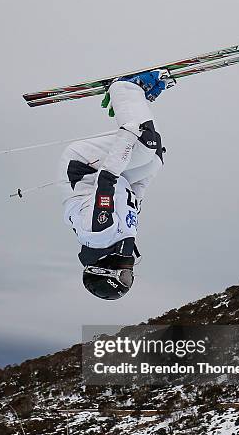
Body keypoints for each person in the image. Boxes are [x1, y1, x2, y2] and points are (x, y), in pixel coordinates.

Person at [58, 70, 175, 300]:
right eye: (129, 280)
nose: (130, 274)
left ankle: (124, 88)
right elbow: (135, 196)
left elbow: (106, 179)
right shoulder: (122, 241)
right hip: (112, 178)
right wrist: (156, 166)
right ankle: (135, 100)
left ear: (106, 272)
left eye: (124, 278)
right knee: (152, 155)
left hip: (82, 166)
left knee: (143, 143)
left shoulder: (97, 233)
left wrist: (127, 138)